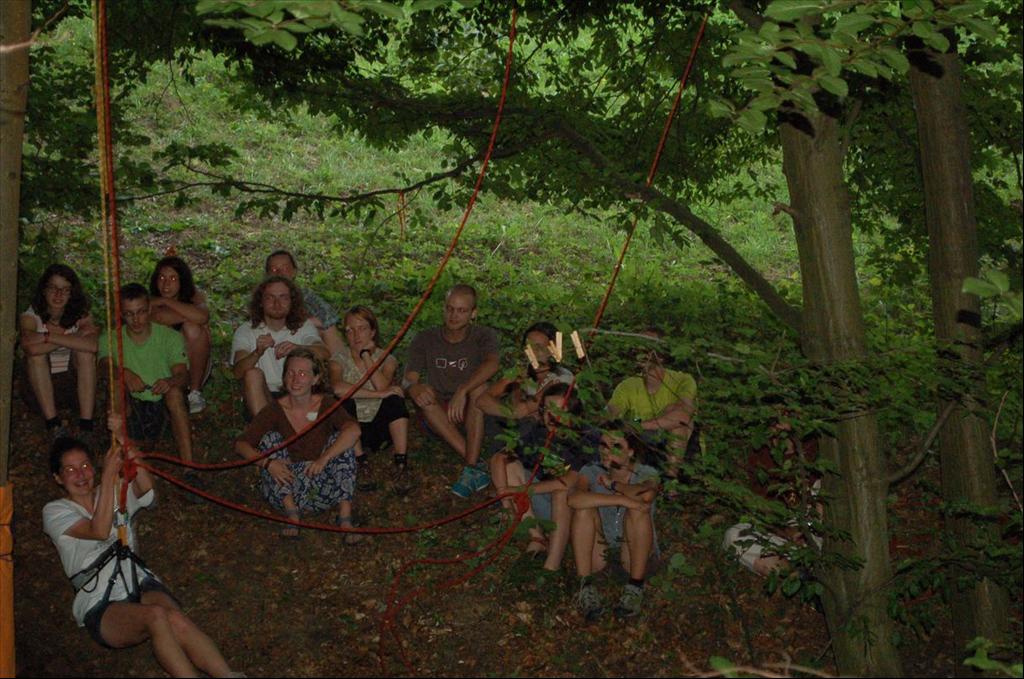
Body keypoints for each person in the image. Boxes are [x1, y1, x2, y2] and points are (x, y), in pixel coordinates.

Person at [42, 422, 240, 677]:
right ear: (58, 478)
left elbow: (147, 489)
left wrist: (123, 439)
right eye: (70, 470)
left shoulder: (113, 489)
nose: (80, 475)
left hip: (138, 580)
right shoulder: (55, 511)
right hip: (99, 600)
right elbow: (98, 530)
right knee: (156, 617)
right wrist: (108, 477)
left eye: (85, 466)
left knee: (175, 618)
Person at [235, 348, 362, 541]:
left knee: (341, 440)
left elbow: (354, 430)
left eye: (303, 374)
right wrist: (268, 463)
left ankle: (345, 519)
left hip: (323, 486)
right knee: (271, 438)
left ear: (315, 379)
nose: (295, 379)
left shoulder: (327, 404)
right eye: (291, 373)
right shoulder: (274, 409)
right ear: (284, 377)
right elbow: (241, 444)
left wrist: (324, 458)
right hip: (286, 487)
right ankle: (292, 517)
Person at [489, 383, 599, 572]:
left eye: (558, 410)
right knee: (508, 464)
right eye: (547, 409)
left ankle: (552, 565)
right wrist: (505, 499)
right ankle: (537, 537)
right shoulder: (539, 432)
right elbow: (500, 457)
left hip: (574, 510)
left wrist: (518, 490)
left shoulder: (586, 437)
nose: (551, 415)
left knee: (560, 491)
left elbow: (567, 482)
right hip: (539, 499)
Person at [403, 284, 500, 498]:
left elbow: (492, 364)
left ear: (473, 313)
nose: (454, 316)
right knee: (425, 394)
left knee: (480, 388)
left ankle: (471, 467)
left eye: (461, 310)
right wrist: (413, 387)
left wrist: (463, 390)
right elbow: (409, 377)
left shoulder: (483, 335)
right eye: (450, 309)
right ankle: (475, 463)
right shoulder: (426, 338)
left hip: (472, 410)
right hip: (439, 413)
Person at [569, 424, 660, 620]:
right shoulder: (591, 470)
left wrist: (614, 485)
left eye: (616, 446)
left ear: (631, 451)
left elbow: (646, 495)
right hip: (602, 551)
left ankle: (635, 587)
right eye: (603, 445)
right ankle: (585, 587)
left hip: (634, 552)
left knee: (637, 511)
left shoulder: (646, 472)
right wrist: (621, 500)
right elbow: (574, 499)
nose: (606, 451)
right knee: (583, 509)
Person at [98, 284, 193, 465]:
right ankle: (119, 455)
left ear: (149, 309)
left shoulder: (170, 337)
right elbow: (103, 366)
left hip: (162, 403)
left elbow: (183, 375)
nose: (136, 320)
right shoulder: (110, 339)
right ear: (121, 314)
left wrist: (169, 381)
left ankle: (189, 465)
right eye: (129, 314)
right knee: (116, 384)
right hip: (132, 404)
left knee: (174, 393)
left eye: (141, 312)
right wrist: (124, 373)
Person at [722, 418, 822, 576]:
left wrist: (806, 530)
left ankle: (806, 566)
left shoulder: (815, 449)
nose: (781, 425)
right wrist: (785, 531)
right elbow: (760, 509)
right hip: (783, 537)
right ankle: (795, 573)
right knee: (734, 536)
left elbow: (821, 507)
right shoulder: (762, 454)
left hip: (813, 534)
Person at [328, 306, 411, 494]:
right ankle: (361, 462)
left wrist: (366, 356)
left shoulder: (387, 358)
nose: (356, 335)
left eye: (362, 328)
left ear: (373, 331)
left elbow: (382, 386)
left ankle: (401, 463)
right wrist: (378, 395)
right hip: (351, 430)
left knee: (394, 400)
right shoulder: (338, 359)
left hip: (380, 426)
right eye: (350, 330)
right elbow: (338, 388)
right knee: (343, 403)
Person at [19, 264, 99, 437]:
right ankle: (53, 425)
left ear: (72, 293)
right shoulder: (30, 316)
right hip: (38, 387)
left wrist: (46, 337)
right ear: (44, 290)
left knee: (85, 353)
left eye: (65, 290)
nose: (58, 294)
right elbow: (29, 346)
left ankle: (86, 425)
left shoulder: (81, 314)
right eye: (53, 288)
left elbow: (92, 346)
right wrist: (73, 337)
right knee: (37, 356)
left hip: (72, 384)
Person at [231, 275, 327, 417]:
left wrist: (298, 348)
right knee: (252, 374)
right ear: (261, 302)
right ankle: (267, 428)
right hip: (263, 393)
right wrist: (257, 353)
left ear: (291, 302)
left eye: (283, 298)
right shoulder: (246, 330)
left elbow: (324, 353)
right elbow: (237, 372)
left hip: (296, 391)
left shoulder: (303, 326)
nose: (277, 303)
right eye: (270, 298)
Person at [606, 328, 696, 477]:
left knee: (678, 423)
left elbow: (683, 416)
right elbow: (611, 414)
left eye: (646, 346)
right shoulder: (627, 385)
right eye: (637, 345)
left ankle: (670, 480)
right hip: (638, 436)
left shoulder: (683, 380)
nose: (639, 350)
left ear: (661, 355)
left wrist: (639, 425)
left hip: (669, 438)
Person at [148, 256, 211, 414]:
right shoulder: (149, 301)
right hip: (161, 365)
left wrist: (166, 302)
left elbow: (202, 316)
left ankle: (194, 393)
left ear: (182, 281)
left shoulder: (194, 297)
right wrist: (189, 314)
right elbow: (160, 318)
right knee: (192, 323)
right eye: (162, 278)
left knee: (193, 328)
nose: (166, 284)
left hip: (190, 364)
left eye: (173, 278)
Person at [265, 249, 345, 357]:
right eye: (274, 269)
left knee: (327, 329)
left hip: (303, 345)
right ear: (268, 274)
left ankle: (341, 363)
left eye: (285, 268)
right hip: (272, 345)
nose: (279, 273)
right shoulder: (261, 299)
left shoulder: (307, 297)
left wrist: (310, 323)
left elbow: (327, 319)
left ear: (294, 271)